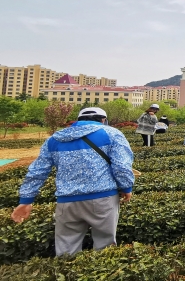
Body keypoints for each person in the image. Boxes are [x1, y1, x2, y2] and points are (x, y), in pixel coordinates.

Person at [11, 107, 134, 256]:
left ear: (78, 120)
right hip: (103, 199)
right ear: (104, 120)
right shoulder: (112, 133)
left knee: (66, 252)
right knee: (105, 250)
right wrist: (126, 188)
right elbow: (121, 166)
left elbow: (37, 171)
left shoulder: (55, 139)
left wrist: (26, 200)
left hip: (66, 202)